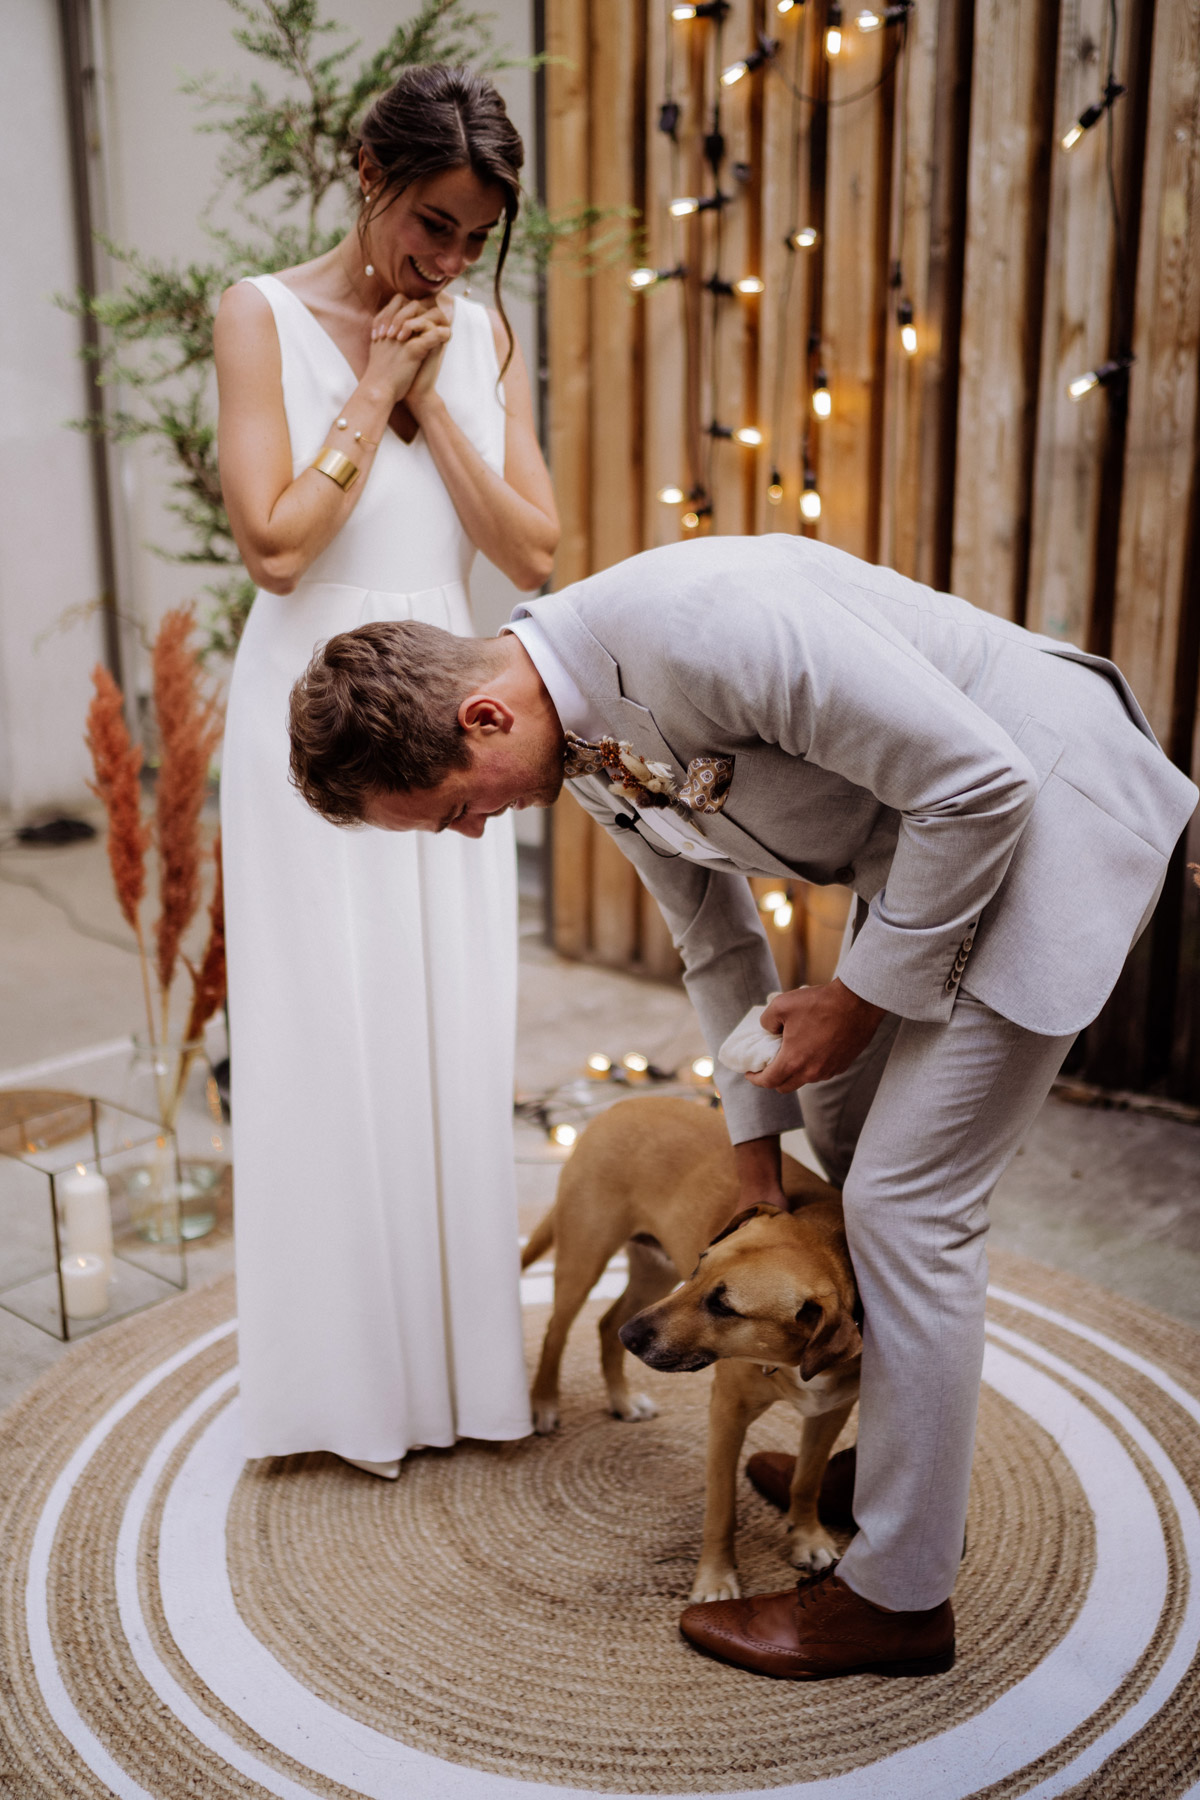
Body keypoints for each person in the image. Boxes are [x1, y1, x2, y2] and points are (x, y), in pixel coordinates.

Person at [284, 531, 1195, 1669]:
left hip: (1049, 811)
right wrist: (754, 1159)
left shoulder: (703, 621)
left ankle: (900, 1598)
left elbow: (980, 779)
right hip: (937, 855)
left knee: (911, 1207)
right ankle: (899, 1463)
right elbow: (717, 944)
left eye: (455, 811)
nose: (476, 833)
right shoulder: (577, 745)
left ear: (482, 721)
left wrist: (856, 1002)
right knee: (851, 1147)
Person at [214, 65, 557, 1475]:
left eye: (473, 236)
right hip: (304, 728)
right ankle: (341, 1391)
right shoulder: (260, 315)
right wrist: (368, 386)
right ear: (369, 173)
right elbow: (279, 545)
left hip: (447, 732)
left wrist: (441, 407)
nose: (447, 259)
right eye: (430, 222)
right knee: (328, 1046)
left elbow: (533, 555)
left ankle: (463, 1378)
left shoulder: (485, 334)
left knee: (448, 1037)